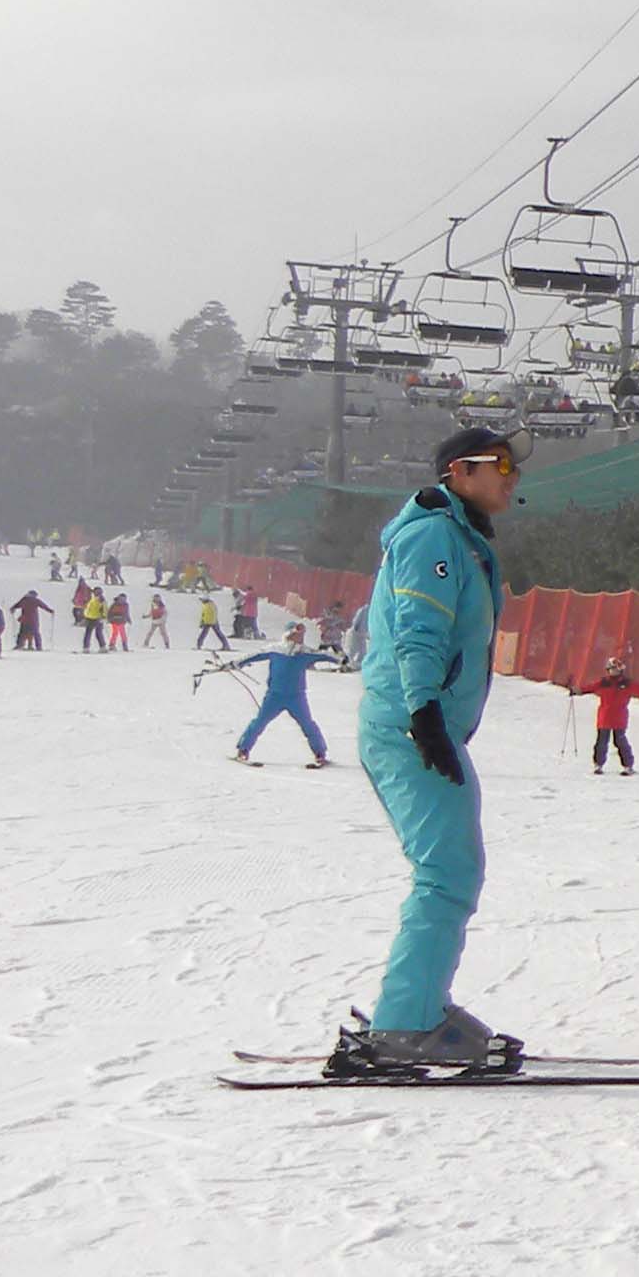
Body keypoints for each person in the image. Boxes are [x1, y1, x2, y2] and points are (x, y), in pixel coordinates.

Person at [337, 427, 522, 1075]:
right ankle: (406, 1022)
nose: (512, 477)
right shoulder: (434, 538)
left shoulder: (457, 537)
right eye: (501, 465)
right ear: (459, 471)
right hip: (410, 724)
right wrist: (424, 715)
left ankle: (415, 1008)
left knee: (450, 869)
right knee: (447, 871)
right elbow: (418, 630)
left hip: (420, 722)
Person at [232, 630, 340, 766]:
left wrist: (341, 659)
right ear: (289, 634)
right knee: (259, 722)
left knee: (308, 725)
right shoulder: (275, 649)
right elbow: (254, 656)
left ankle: (320, 753)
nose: (300, 637)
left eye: (302, 634)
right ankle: (243, 750)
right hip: (274, 696)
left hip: (297, 697)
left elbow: (325, 655)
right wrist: (235, 663)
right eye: (297, 634)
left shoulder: (305, 652)